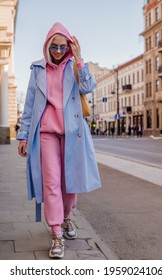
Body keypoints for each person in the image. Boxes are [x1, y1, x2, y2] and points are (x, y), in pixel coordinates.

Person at [17, 22, 101, 259]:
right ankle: (56, 233)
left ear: (69, 46)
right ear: (47, 45)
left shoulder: (75, 65)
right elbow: (30, 104)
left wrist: (80, 58)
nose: (57, 51)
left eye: (62, 46)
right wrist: (23, 135)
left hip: (72, 132)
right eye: (53, 46)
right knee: (51, 183)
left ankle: (65, 217)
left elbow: (89, 87)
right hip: (46, 133)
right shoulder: (38, 69)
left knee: (70, 182)